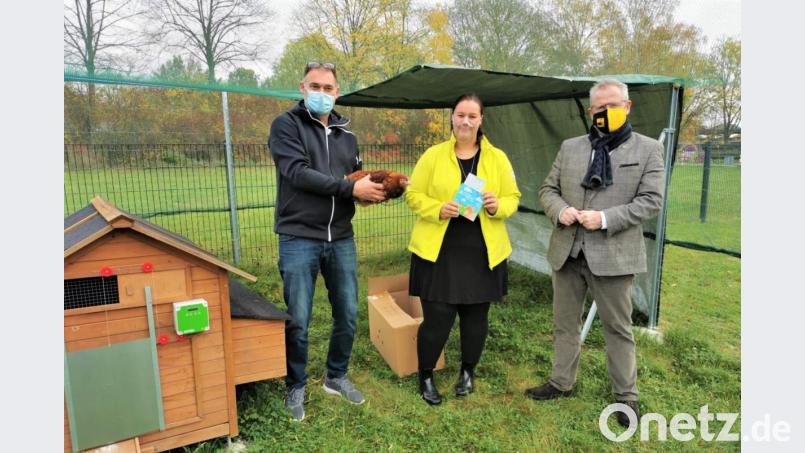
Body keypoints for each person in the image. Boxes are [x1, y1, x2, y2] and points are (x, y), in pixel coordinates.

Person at [524, 80, 665, 428]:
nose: (606, 114)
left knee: (617, 328)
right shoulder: (570, 147)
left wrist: (604, 219)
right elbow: (547, 189)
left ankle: (626, 396)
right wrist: (560, 210)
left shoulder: (647, 150)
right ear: (590, 111)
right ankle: (561, 382)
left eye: (613, 106)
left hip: (615, 256)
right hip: (568, 251)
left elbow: (651, 201)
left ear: (628, 106)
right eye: (599, 109)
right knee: (564, 324)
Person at [268, 62, 386, 421]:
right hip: (299, 236)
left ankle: (336, 376)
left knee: (348, 314)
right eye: (315, 86)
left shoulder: (346, 136)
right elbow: (298, 174)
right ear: (303, 87)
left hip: (341, 238)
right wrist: (351, 187)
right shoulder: (286, 126)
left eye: (329, 87)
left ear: (337, 92)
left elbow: (353, 177)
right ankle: (296, 383)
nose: (322, 92)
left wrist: (366, 192)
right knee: (299, 319)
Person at [405, 94, 521, 406]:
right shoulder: (433, 155)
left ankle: (468, 372)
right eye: (460, 115)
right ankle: (426, 374)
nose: (465, 122)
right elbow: (413, 194)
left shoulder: (498, 158)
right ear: (452, 118)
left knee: (475, 316)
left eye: (472, 116)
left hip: (482, 252)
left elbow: (513, 197)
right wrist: (437, 208)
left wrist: (499, 206)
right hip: (438, 251)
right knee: (438, 317)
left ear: (481, 119)